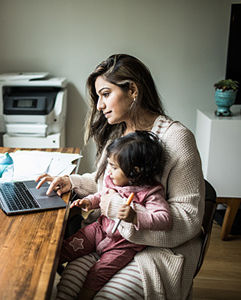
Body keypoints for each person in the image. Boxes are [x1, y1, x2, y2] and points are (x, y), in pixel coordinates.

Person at [36, 54, 205, 300]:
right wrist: (71, 181)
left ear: (133, 89)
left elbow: (189, 218)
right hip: (106, 237)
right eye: (98, 97)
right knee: (67, 291)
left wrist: (123, 214)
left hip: (155, 251)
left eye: (105, 94)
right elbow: (104, 181)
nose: (99, 106)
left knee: (104, 296)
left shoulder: (176, 138)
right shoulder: (120, 132)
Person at [59, 130, 172, 299]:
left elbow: (164, 219)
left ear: (135, 171)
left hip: (123, 246)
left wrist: (135, 217)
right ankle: (44, 271)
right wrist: (89, 201)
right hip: (99, 230)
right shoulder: (112, 180)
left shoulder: (150, 192)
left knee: (98, 274)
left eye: (114, 167)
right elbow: (102, 195)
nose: (108, 171)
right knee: (67, 247)